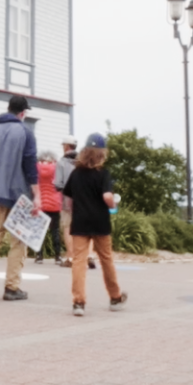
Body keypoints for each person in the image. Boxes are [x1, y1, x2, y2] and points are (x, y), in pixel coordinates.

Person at [0, 94, 41, 301]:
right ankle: (11, 288)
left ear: (8, 108)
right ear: (23, 113)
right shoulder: (25, 133)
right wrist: (37, 195)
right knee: (19, 242)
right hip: (19, 196)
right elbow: (30, 166)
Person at [62, 133, 127, 317]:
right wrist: (113, 204)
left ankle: (79, 302)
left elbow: (68, 194)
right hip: (100, 222)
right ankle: (115, 297)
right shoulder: (103, 174)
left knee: (79, 262)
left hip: (80, 221)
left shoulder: (76, 174)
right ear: (102, 153)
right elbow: (107, 196)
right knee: (106, 259)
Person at [54, 136, 77, 267]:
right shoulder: (81, 161)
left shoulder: (62, 162)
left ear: (67, 146)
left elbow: (58, 183)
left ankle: (70, 257)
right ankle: (82, 256)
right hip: (81, 201)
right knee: (80, 229)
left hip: (67, 200)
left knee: (67, 227)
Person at [35, 151, 62, 264]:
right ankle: (57, 257)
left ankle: (39, 256)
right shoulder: (57, 168)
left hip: (41, 204)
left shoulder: (36, 168)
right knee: (55, 231)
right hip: (55, 205)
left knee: (40, 232)